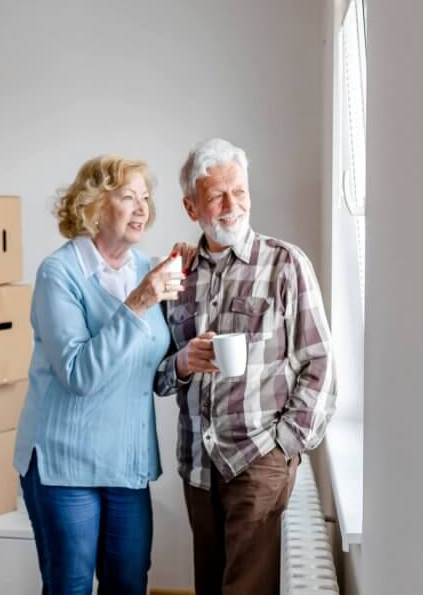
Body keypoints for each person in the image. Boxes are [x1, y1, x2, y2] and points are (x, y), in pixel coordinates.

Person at [154, 138, 337, 595]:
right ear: (191, 206)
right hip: (197, 464)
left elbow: (321, 365)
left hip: (258, 461)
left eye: (239, 191)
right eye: (216, 195)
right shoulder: (177, 274)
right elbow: (155, 374)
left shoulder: (286, 264)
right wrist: (182, 362)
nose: (231, 205)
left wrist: (284, 446)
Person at [14, 155, 186, 595]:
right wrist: (140, 303)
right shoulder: (60, 273)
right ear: (93, 205)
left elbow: (148, 360)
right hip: (65, 463)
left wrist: (186, 360)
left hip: (126, 461)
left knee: (128, 584)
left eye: (145, 197)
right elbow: (79, 374)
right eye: (128, 196)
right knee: (69, 587)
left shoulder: (146, 268)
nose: (142, 207)